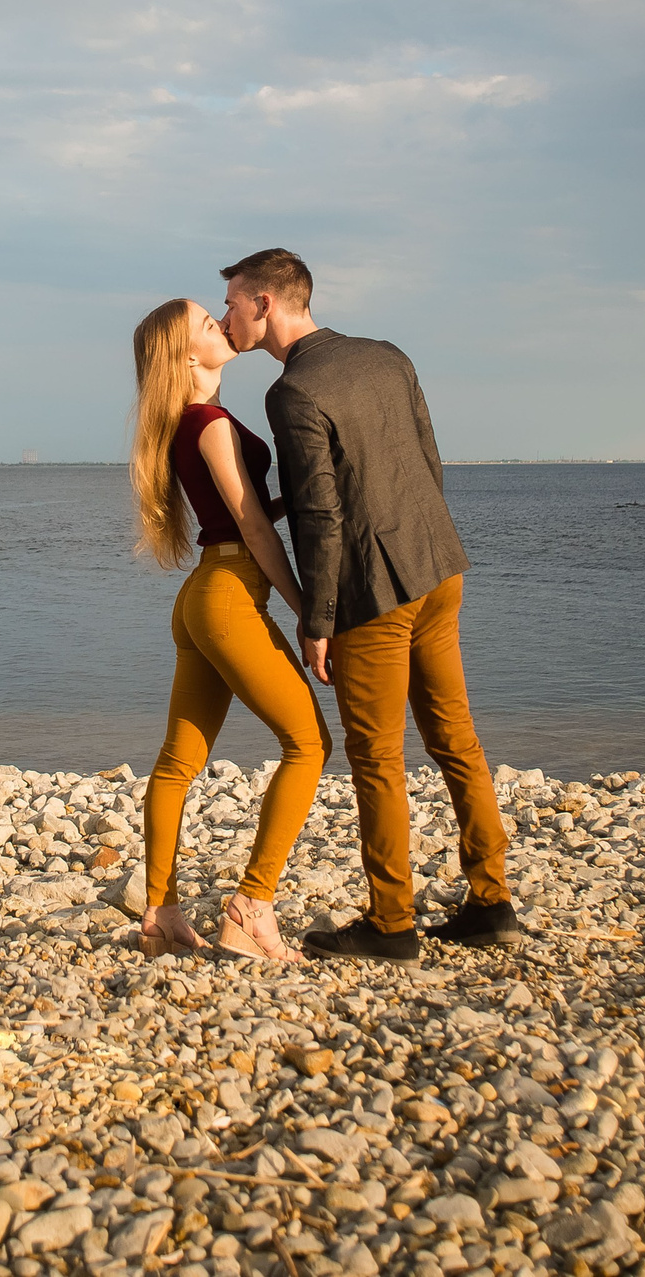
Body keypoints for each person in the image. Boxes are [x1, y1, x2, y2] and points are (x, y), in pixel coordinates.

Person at [219, 247, 523, 961]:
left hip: (370, 591)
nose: (227, 313)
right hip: (437, 567)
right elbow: (426, 460)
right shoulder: (387, 356)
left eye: (232, 299)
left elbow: (323, 515)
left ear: (265, 302)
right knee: (456, 737)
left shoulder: (291, 393)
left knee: (378, 755)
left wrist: (316, 619)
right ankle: (492, 899)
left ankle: (391, 923)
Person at [126, 297, 331, 962]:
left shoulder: (188, 422)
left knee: (177, 763)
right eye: (204, 324)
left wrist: (296, 499)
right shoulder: (209, 423)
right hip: (228, 595)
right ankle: (252, 903)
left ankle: (160, 914)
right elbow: (249, 528)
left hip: (202, 595)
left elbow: (238, 510)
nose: (218, 320)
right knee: (309, 742)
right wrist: (306, 610)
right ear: (186, 355)